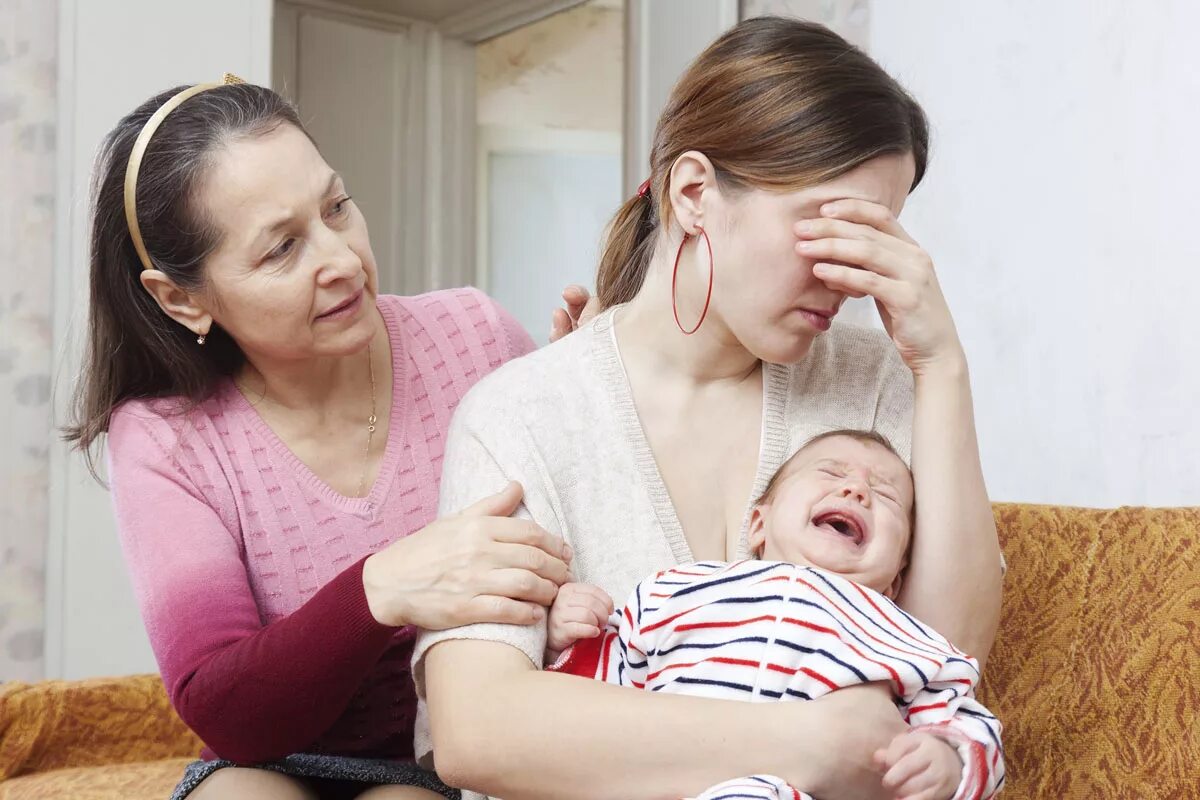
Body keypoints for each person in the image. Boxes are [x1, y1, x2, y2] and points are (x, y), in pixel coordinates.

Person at [414, 17, 1003, 800]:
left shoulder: (876, 383)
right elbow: (478, 729)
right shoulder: (523, 412)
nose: (854, 276)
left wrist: (942, 366)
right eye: (832, 229)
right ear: (695, 193)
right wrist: (808, 743)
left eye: (876, 240)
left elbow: (940, 662)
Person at [65, 76, 577, 799]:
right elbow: (224, 705)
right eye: (282, 250)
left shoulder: (474, 335)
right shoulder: (166, 436)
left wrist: (598, 401)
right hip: (267, 758)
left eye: (337, 208)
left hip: (452, 752)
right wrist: (382, 588)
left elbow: (587, 550)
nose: (340, 259)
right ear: (181, 298)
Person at [545, 430, 1005, 800]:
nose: (856, 490)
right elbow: (611, 685)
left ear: (896, 581)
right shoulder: (678, 589)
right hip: (675, 777)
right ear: (759, 525)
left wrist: (948, 760)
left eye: (885, 496)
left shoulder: (903, 636)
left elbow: (969, 720)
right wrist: (572, 640)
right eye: (830, 472)